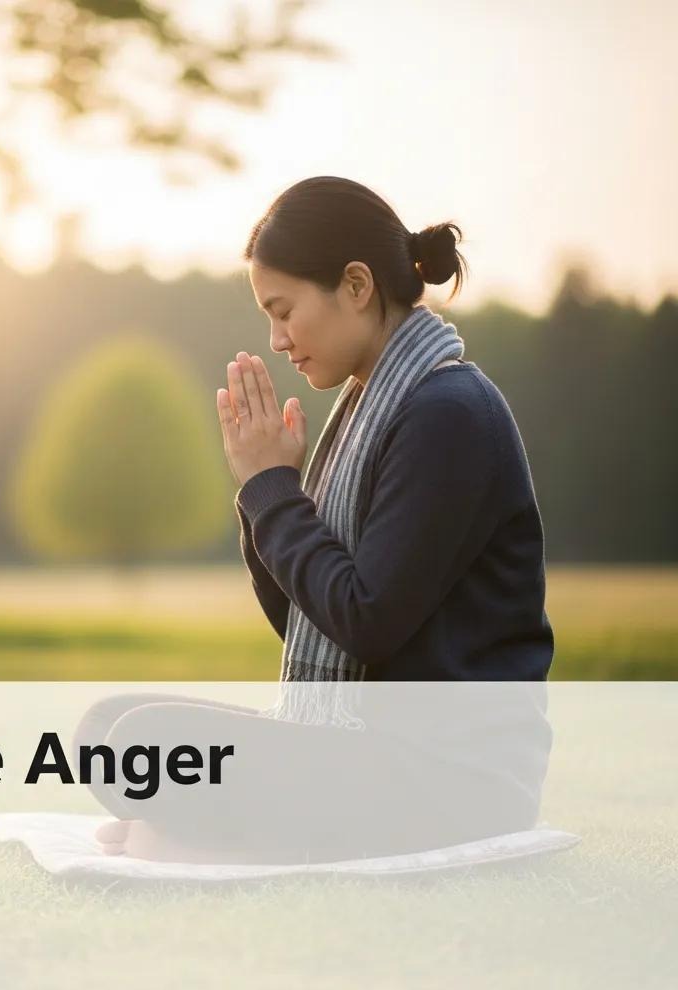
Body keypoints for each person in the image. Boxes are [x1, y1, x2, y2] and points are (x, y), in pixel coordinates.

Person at [81, 175, 554, 863]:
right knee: (106, 730)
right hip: (374, 751)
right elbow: (311, 618)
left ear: (356, 286)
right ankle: (207, 829)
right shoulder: (369, 412)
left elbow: (366, 620)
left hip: (457, 778)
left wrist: (276, 491)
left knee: (140, 744)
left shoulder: (446, 415)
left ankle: (207, 833)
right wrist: (263, 493)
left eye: (284, 310)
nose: (276, 340)